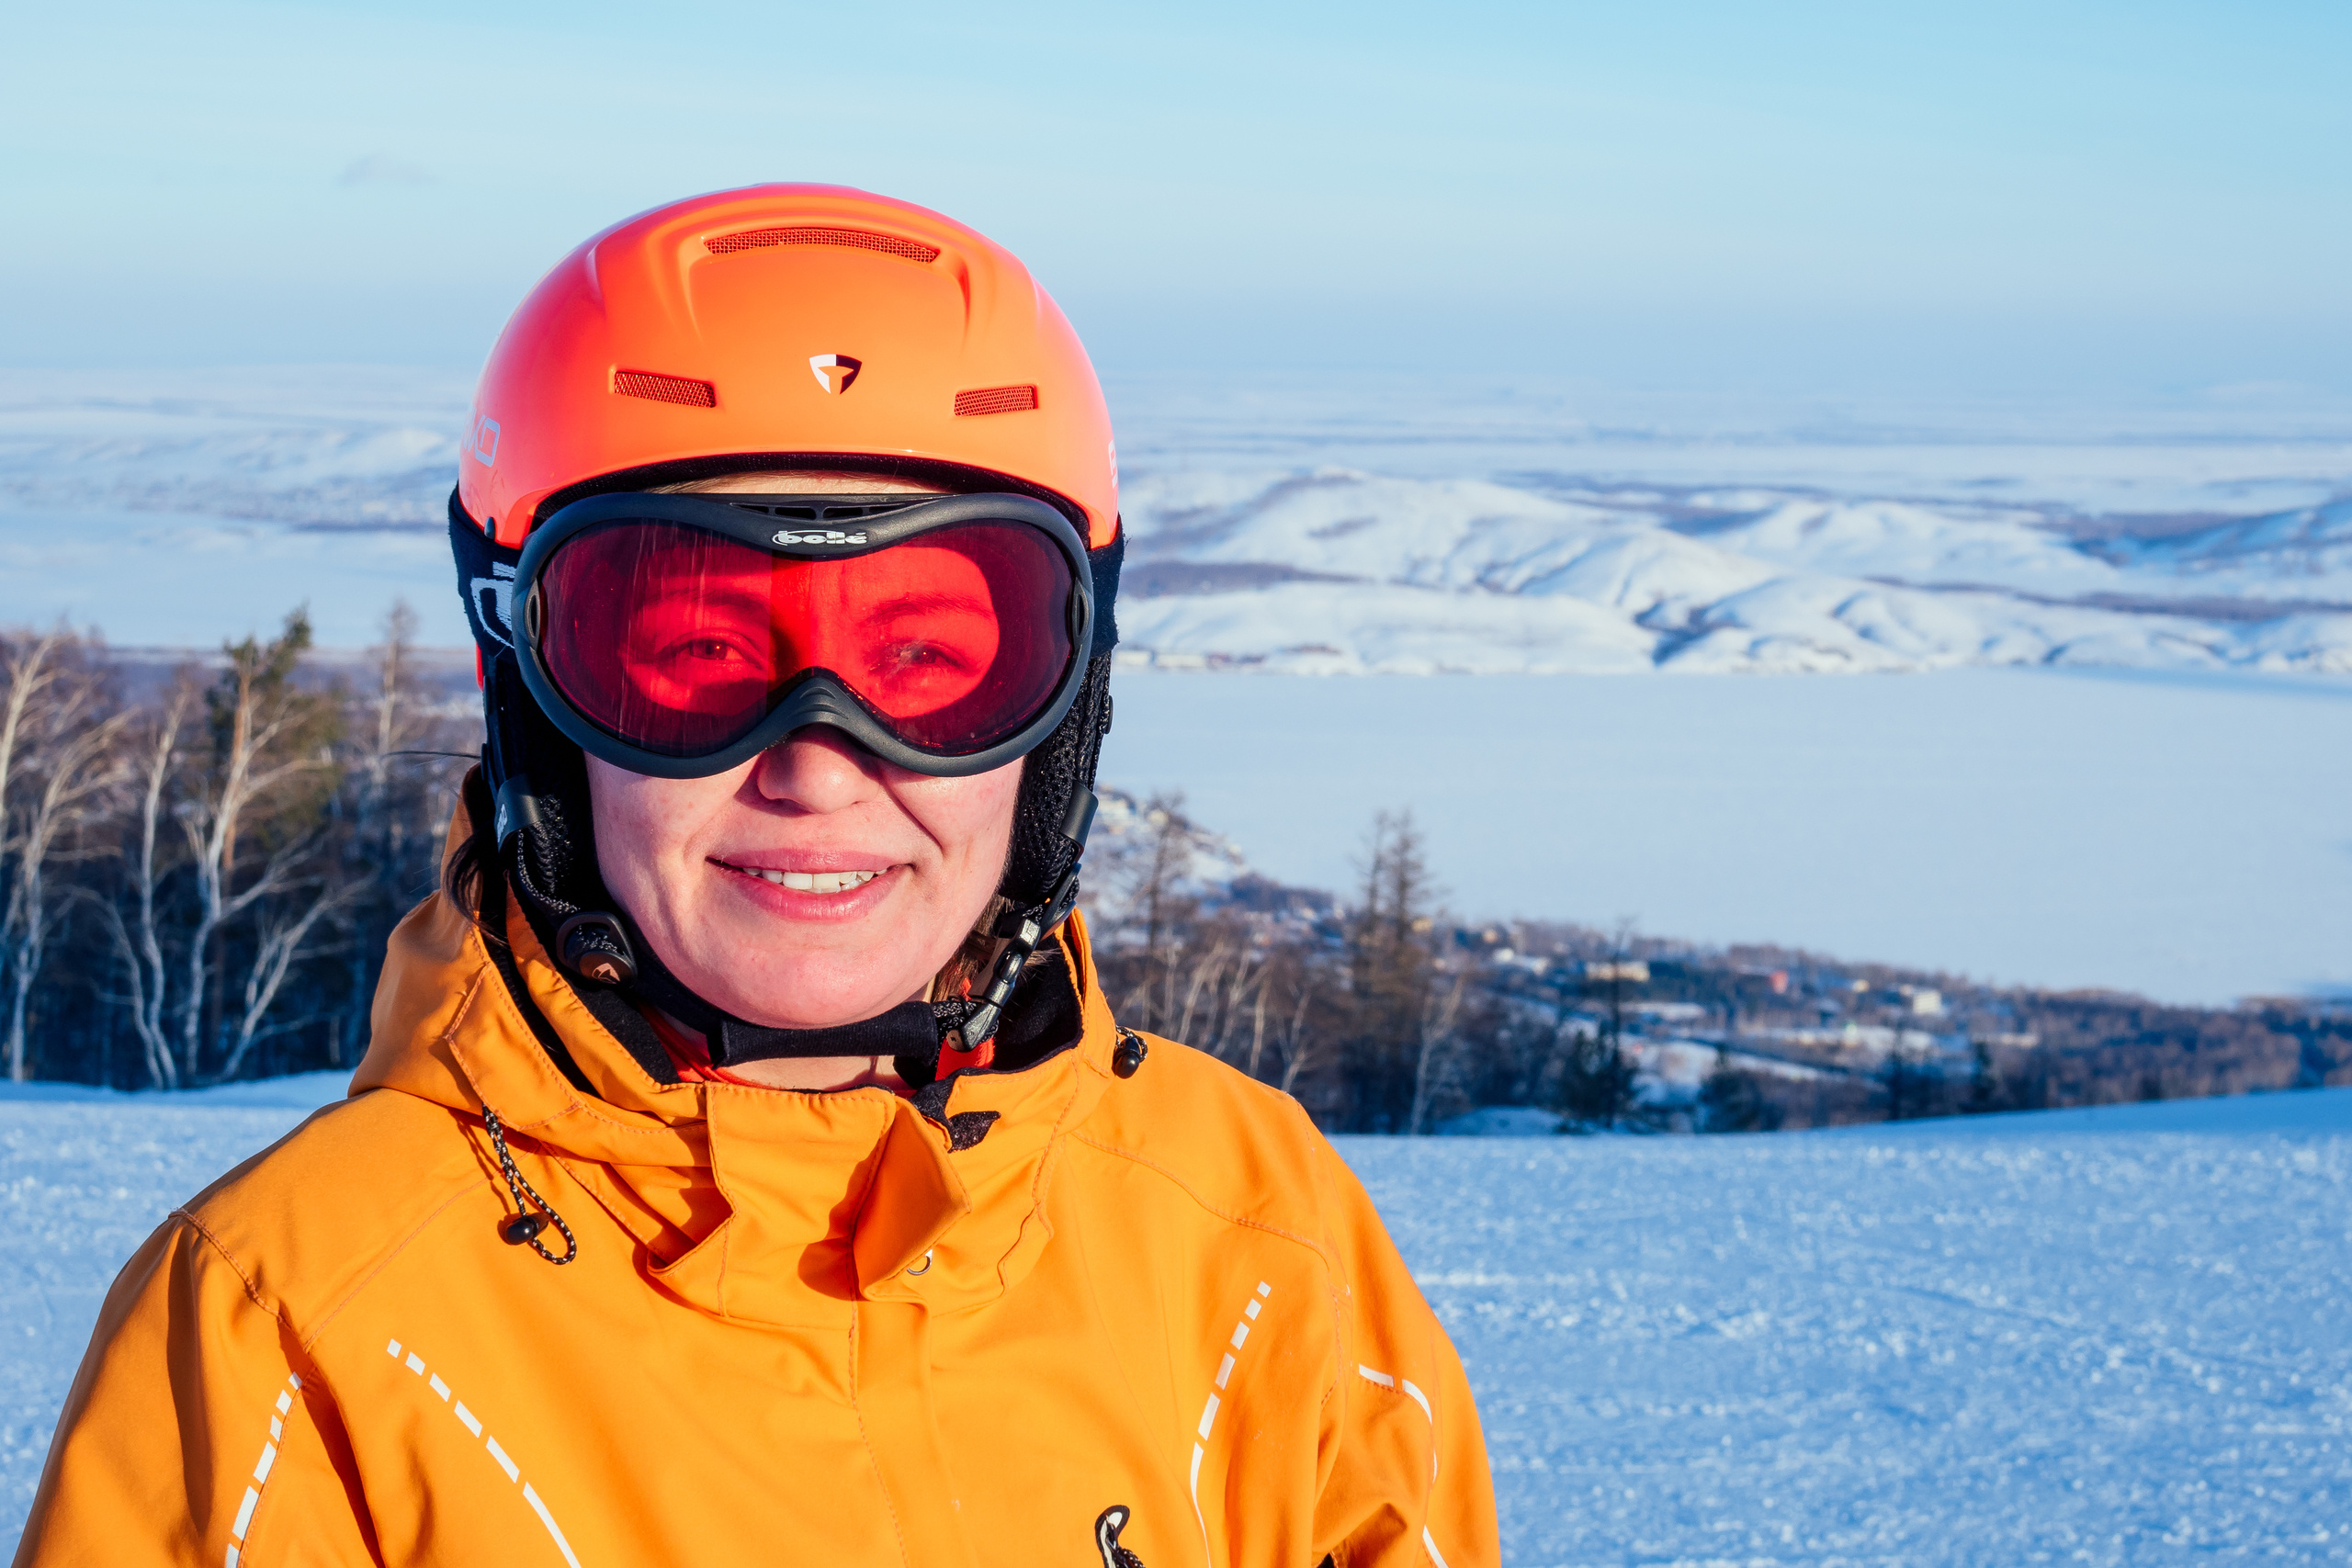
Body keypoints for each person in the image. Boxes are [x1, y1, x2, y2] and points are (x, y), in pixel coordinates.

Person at [16, 185, 1498, 1568]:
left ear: (1065, 713)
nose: (818, 764)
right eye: (694, 653)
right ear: (530, 693)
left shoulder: (1248, 1238)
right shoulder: (292, 1326)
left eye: (930, 664)